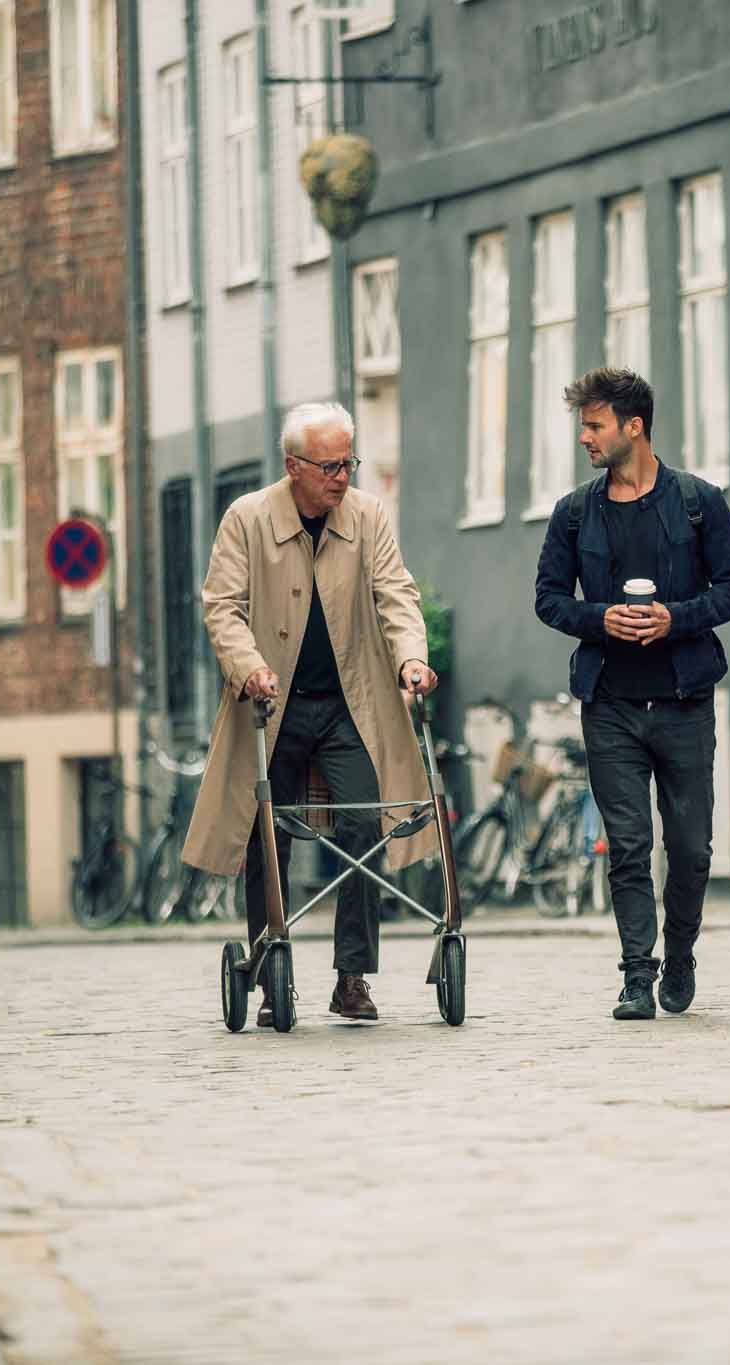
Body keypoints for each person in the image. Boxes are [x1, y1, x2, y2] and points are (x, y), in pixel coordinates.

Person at [181, 401, 438, 1027]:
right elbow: (222, 608)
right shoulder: (246, 519)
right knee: (263, 834)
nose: (343, 475)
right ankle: (272, 975)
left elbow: (396, 593)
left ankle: (351, 977)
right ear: (293, 465)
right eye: (329, 465)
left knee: (363, 823)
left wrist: (411, 658)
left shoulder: (368, 516)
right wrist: (249, 668)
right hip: (273, 704)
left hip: (351, 705)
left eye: (349, 461)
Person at [534, 368, 730, 1020]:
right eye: (583, 425)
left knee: (690, 848)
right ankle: (637, 973)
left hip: (685, 699)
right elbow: (547, 598)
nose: (584, 438)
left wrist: (674, 618)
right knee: (626, 844)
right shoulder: (575, 513)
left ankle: (679, 952)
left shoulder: (698, 501)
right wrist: (599, 619)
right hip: (611, 704)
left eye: (594, 425)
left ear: (634, 426)